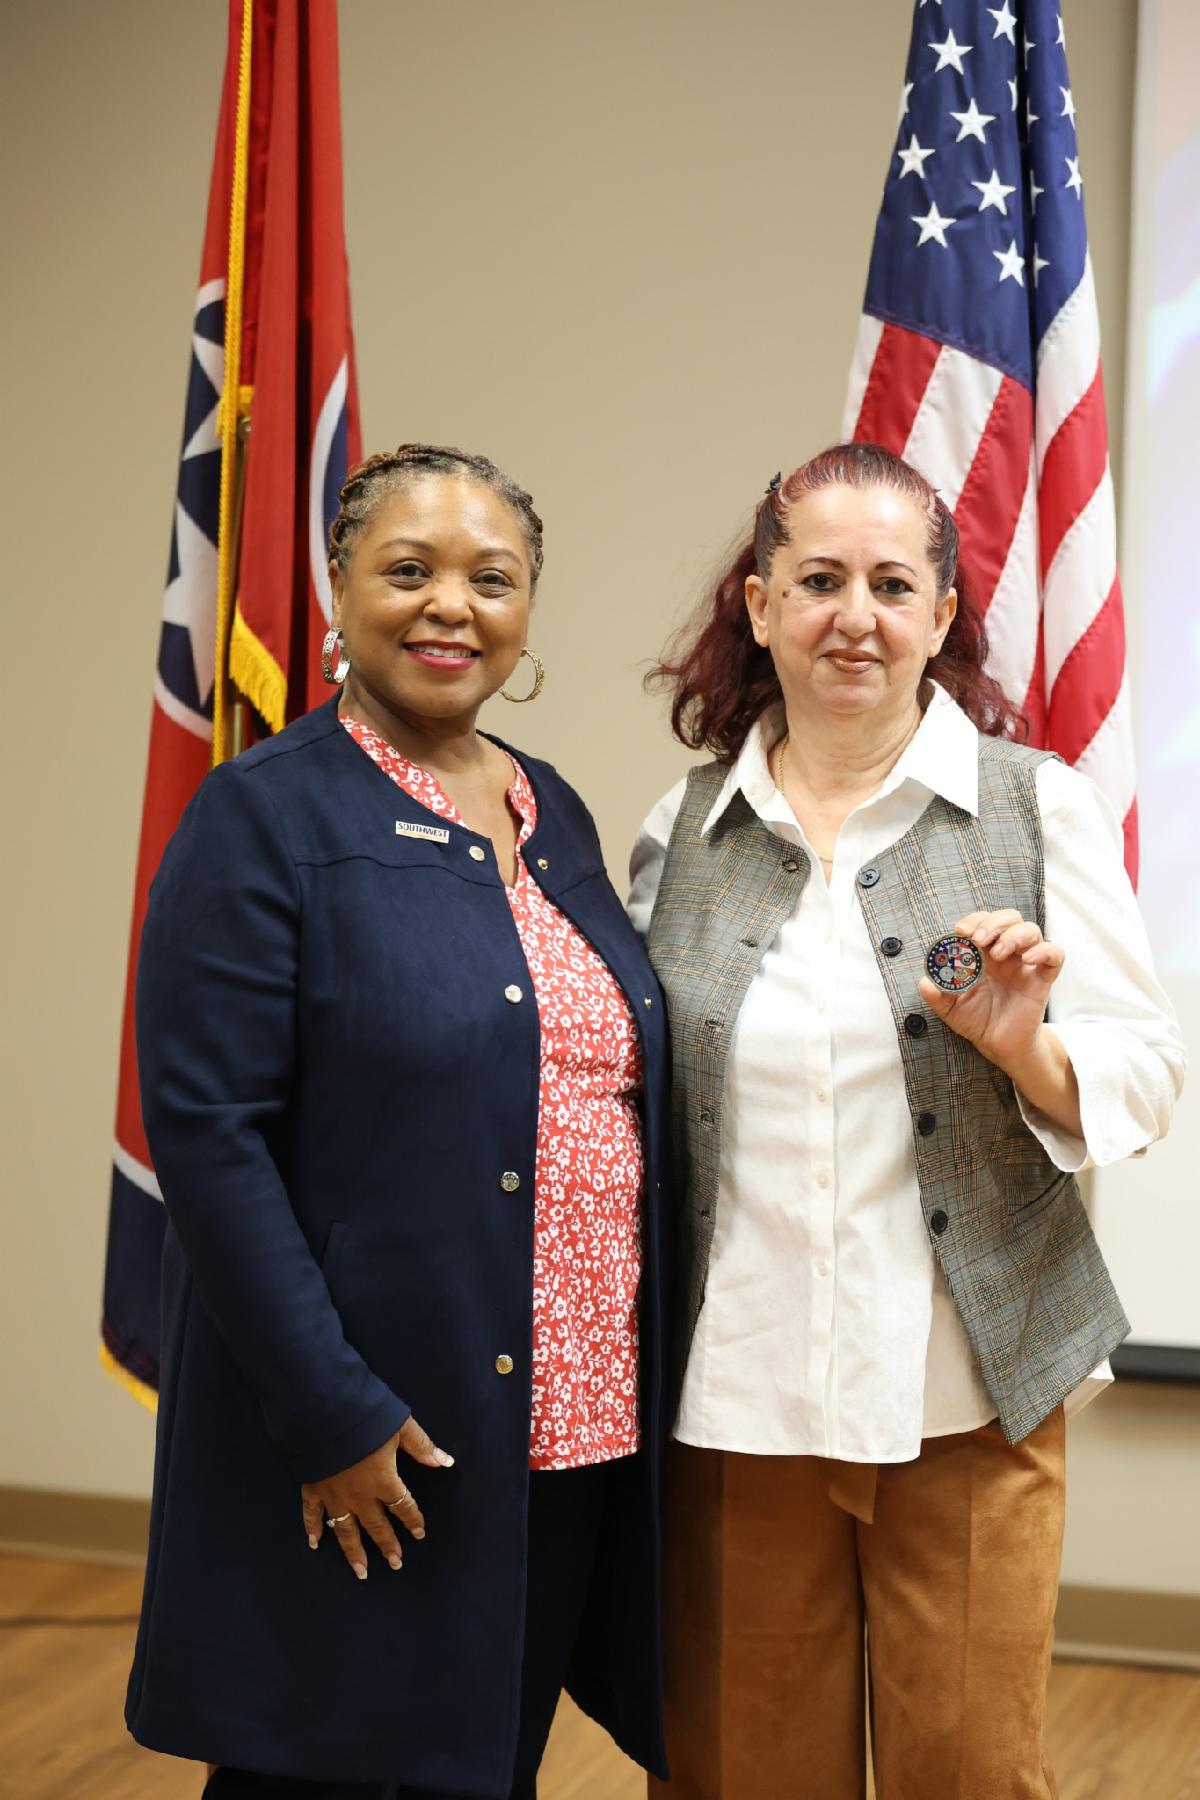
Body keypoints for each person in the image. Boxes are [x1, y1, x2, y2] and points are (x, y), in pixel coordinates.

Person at [628, 443, 1184, 1798]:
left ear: (941, 617)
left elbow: (1145, 1074)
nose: (854, 617)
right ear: (760, 605)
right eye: (819, 580)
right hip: (739, 1404)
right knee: (738, 1777)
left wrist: (1023, 1046)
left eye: (891, 585)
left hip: (970, 1401)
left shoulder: (1039, 806)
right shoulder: (681, 830)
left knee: (971, 1777)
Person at [127, 444, 672, 1798]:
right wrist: (330, 1411)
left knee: (488, 1771)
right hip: (385, 1431)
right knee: (334, 1772)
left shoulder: (554, 809)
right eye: (409, 569)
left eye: (493, 578)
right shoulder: (261, 813)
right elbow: (208, 1138)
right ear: (339, 588)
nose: (451, 606)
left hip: (566, 1420)